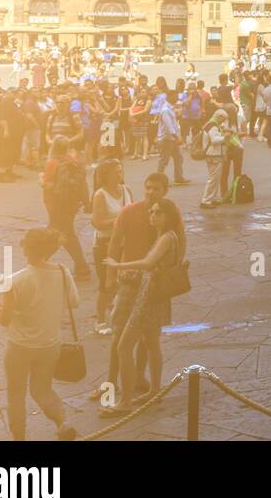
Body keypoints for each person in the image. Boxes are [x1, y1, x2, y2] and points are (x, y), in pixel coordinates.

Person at [101, 199, 186, 415]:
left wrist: (117, 265)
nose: (153, 215)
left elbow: (148, 263)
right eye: (152, 212)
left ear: (168, 216)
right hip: (156, 295)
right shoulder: (167, 237)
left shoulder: (166, 238)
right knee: (151, 341)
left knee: (124, 346)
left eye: (158, 212)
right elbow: (154, 265)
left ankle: (125, 402)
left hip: (148, 298)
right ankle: (155, 390)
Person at [0, 227, 78, 441]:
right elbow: (74, 302)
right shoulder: (63, 272)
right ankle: (63, 422)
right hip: (49, 343)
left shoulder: (13, 280)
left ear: (26, 248)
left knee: (16, 393)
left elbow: (4, 319)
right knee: (42, 390)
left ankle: (19, 438)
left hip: (19, 345)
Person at [90, 159, 133, 335]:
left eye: (120, 171)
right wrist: (120, 221)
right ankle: (100, 320)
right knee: (106, 284)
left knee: (125, 280)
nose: (119, 174)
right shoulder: (100, 195)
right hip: (105, 243)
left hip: (127, 242)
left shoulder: (126, 190)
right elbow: (98, 223)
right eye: (116, 171)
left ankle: (119, 314)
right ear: (106, 175)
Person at [42, 135, 92, 280]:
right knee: (58, 232)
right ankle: (40, 260)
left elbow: (48, 185)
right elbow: (82, 183)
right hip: (71, 203)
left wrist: (40, 180)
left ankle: (82, 268)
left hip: (57, 203)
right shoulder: (74, 162)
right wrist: (86, 202)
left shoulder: (53, 163)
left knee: (63, 234)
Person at [153, 91, 189, 185]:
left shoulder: (169, 108)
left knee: (178, 157)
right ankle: (158, 180)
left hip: (171, 138)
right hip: (168, 138)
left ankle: (179, 177)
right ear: (170, 97)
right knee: (164, 160)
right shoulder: (166, 110)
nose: (177, 98)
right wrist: (177, 138)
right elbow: (169, 127)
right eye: (175, 96)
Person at [199, 110, 231, 209]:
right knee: (213, 178)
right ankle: (206, 201)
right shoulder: (213, 126)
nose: (223, 122)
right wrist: (224, 137)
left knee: (215, 178)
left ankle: (211, 198)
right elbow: (214, 140)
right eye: (223, 119)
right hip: (213, 154)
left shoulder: (211, 124)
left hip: (212, 154)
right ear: (219, 117)